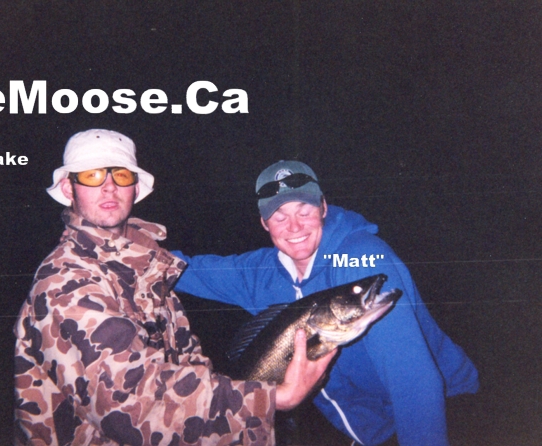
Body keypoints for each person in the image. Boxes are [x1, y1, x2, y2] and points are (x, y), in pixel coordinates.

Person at [14, 131, 336, 446]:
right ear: (69, 188)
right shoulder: (66, 281)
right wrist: (274, 398)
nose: (109, 186)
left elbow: (189, 367)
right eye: (92, 175)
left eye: (121, 175)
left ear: (135, 188)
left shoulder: (146, 265)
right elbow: (132, 411)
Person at [173, 160, 480, 446]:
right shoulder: (259, 274)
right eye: (279, 217)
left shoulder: (361, 259)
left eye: (304, 211)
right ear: (265, 223)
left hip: (441, 414)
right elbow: (182, 269)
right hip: (374, 431)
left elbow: (412, 378)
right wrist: (138, 244)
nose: (294, 227)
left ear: (323, 207)